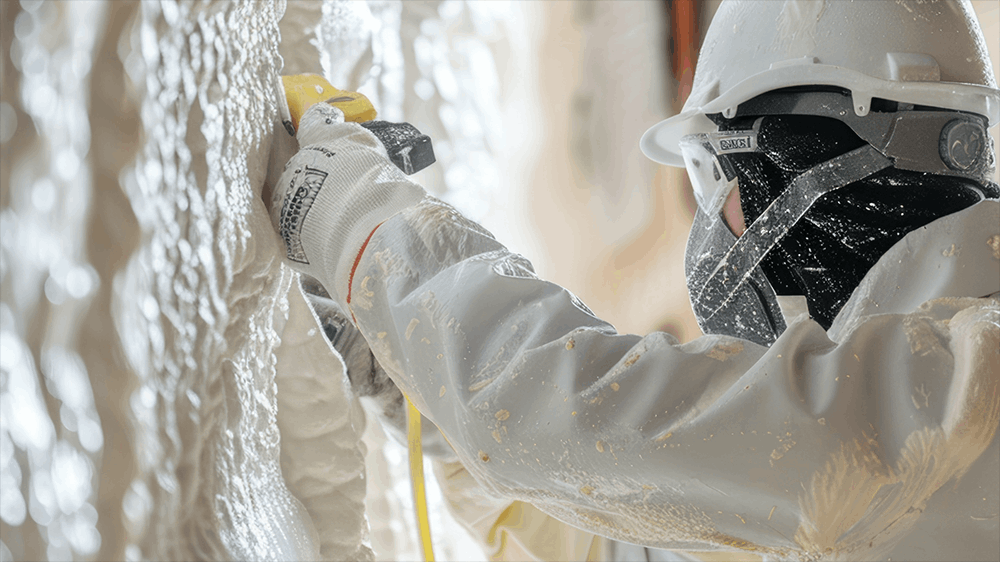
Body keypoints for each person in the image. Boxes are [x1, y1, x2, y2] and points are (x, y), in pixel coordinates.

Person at [267, 1, 1000, 560]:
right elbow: (649, 539)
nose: (716, 221)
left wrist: (356, 216)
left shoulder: (965, 397)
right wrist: (419, 389)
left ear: (799, 167)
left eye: (715, 177)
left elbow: (578, 418)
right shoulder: (921, 430)